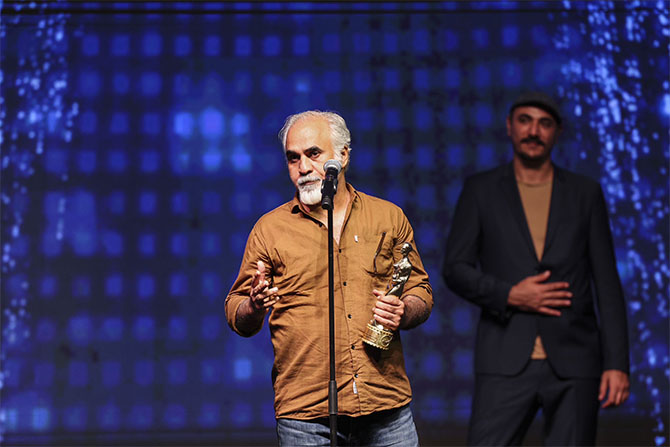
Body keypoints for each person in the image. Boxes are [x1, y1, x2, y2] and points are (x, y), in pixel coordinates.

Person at [225, 110, 433, 446]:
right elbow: (236, 313)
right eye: (293, 158)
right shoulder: (270, 230)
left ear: (343, 155)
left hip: (385, 406)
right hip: (305, 414)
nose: (304, 167)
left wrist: (404, 310)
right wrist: (254, 304)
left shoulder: (388, 217)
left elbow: (420, 290)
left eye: (314, 154)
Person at [442, 91, 630, 446]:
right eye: (525, 121)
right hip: (504, 355)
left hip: (575, 358)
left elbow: (607, 282)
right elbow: (455, 268)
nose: (534, 131)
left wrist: (617, 363)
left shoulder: (585, 193)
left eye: (545, 123)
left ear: (557, 132)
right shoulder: (481, 190)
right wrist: (510, 294)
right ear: (509, 127)